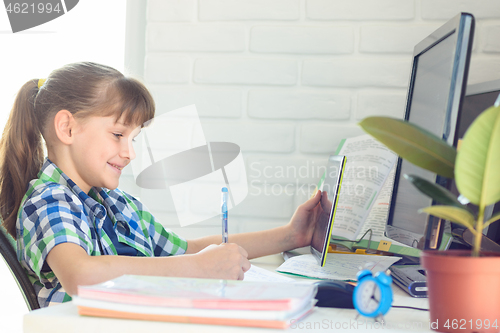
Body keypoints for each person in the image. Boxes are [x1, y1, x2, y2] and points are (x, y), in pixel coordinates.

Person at [0, 62, 324, 308]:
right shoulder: (48, 200)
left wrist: (292, 235)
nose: (130, 153)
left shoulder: (120, 205)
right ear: (67, 128)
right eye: (118, 135)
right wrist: (196, 267)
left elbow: (189, 251)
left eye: (134, 138)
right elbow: (79, 274)